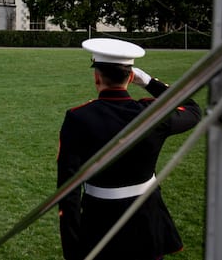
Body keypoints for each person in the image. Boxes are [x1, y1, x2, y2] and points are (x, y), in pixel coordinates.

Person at [57, 38, 202, 260]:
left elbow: (68, 190)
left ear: (97, 77)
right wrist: (149, 82)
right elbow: (192, 109)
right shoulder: (153, 113)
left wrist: (72, 248)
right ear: (131, 76)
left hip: (99, 221)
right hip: (147, 218)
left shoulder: (78, 117)